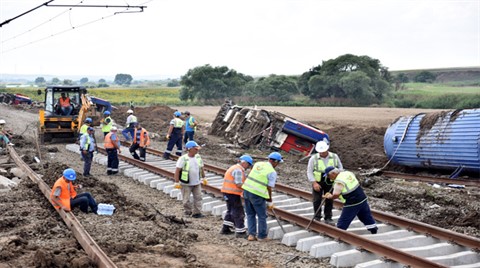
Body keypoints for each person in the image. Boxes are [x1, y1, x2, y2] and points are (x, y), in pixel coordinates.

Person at [323, 166, 378, 234]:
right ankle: (373, 229)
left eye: (328, 175)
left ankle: (339, 233)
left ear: (333, 173)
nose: (328, 177)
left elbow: (336, 195)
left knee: (344, 219)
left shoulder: (339, 181)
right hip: (362, 198)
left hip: (352, 202)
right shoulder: (347, 173)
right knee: (365, 215)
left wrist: (329, 196)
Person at [242, 152, 283, 242]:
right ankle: (262, 236)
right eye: (278, 162)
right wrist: (270, 200)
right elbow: (269, 187)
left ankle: (251, 235)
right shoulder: (272, 172)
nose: (278, 165)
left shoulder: (258, 164)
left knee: (250, 214)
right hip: (257, 194)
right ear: (275, 162)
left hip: (246, 190)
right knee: (262, 216)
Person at [306, 140, 343, 224]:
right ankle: (317, 217)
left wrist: (335, 172)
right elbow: (309, 171)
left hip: (330, 181)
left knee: (329, 199)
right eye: (320, 152)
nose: (321, 153)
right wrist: (314, 183)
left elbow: (341, 168)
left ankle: (328, 217)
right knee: (317, 200)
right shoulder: (313, 158)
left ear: (327, 149)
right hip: (318, 181)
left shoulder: (334, 156)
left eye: (323, 151)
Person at [220, 155, 254, 238]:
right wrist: (248, 188)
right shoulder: (238, 170)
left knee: (230, 210)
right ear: (244, 163)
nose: (248, 167)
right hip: (233, 193)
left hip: (227, 192)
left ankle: (226, 228)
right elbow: (238, 183)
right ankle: (240, 232)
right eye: (249, 165)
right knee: (238, 211)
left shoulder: (234, 167)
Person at [173, 141, 206, 218]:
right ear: (190, 149)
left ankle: (197, 213)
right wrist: (176, 182)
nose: (197, 150)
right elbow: (177, 170)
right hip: (186, 183)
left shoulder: (198, 157)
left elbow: (201, 168)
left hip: (197, 182)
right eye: (195, 148)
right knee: (186, 200)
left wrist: (204, 177)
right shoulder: (183, 159)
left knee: (198, 197)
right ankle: (188, 211)